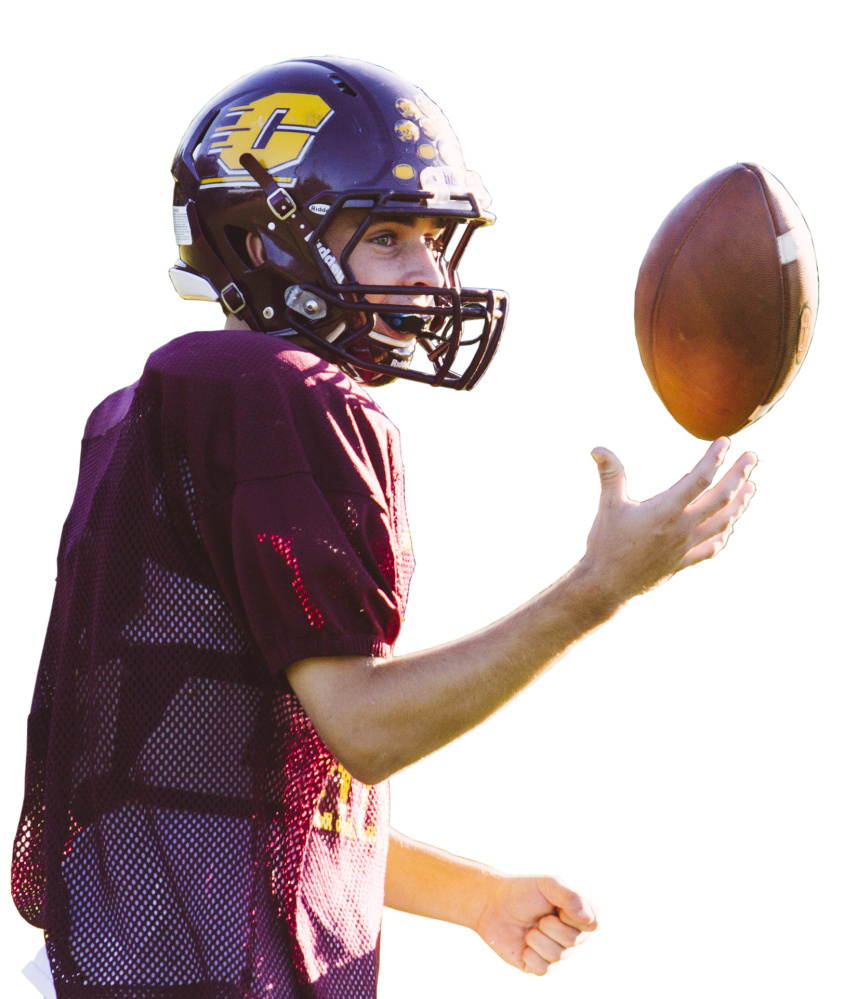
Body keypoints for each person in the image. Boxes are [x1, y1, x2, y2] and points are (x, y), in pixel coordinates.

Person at [11, 57, 756, 999]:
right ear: (268, 243)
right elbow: (363, 725)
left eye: (438, 241)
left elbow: (228, 788)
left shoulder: (170, 409)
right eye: (391, 237)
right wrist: (596, 588)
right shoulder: (277, 392)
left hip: (124, 963)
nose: (431, 273)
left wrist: (475, 896)